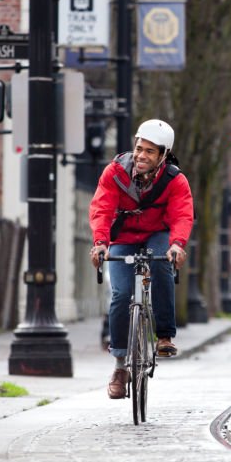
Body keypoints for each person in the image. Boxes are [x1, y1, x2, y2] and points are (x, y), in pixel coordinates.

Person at [89, 119, 193, 400]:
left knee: (161, 266)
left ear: (162, 156)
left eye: (149, 151)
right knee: (121, 295)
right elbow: (101, 208)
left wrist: (177, 245)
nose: (141, 155)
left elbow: (182, 215)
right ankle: (120, 366)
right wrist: (100, 243)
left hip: (156, 236)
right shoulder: (114, 173)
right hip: (122, 238)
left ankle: (164, 337)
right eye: (139, 148)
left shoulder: (174, 180)